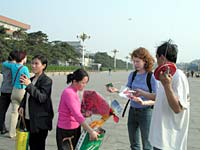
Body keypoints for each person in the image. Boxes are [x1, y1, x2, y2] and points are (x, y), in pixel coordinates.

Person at [107, 47, 157, 150]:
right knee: (134, 144)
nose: (135, 64)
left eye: (138, 61)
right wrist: (116, 90)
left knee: (147, 144)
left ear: (145, 61)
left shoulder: (151, 76)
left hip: (146, 112)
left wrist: (143, 102)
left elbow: (157, 97)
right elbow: (127, 90)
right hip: (132, 111)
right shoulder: (132, 75)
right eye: (134, 61)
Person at [149, 40, 190, 150]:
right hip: (159, 137)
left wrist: (167, 85)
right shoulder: (165, 75)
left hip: (169, 141)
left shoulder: (178, 76)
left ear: (162, 57)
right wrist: (142, 94)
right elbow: (161, 98)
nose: (157, 62)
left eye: (157, 58)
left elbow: (177, 108)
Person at [56, 68, 99, 150]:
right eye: (83, 83)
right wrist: (91, 131)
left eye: (86, 83)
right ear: (75, 81)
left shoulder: (75, 91)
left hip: (75, 128)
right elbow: (77, 115)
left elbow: (75, 112)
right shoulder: (68, 93)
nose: (84, 85)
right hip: (66, 130)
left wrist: (84, 114)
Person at [18, 54, 54, 150]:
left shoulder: (47, 81)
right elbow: (26, 96)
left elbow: (42, 97)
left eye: (36, 63)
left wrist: (29, 85)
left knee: (37, 146)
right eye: (32, 63)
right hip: (28, 119)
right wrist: (21, 106)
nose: (33, 66)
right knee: (30, 144)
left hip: (39, 121)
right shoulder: (31, 79)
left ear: (43, 66)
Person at [2, 50, 30, 138]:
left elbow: (5, 63)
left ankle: (11, 133)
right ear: (23, 59)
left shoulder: (13, 66)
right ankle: (24, 128)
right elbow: (28, 80)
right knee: (24, 110)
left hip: (14, 91)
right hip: (22, 91)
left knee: (14, 112)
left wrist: (12, 60)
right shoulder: (25, 68)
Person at [0, 51, 17, 134]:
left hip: (3, 89)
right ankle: (15, 129)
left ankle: (1, 128)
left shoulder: (4, 64)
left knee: (2, 110)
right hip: (13, 91)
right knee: (16, 111)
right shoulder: (15, 66)